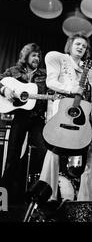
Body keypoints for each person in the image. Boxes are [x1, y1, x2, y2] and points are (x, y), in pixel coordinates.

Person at [39, 33, 92, 205]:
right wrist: (71, 89)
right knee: (54, 153)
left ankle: (88, 199)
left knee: (90, 153)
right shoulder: (57, 58)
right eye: (78, 44)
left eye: (84, 46)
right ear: (70, 45)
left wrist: (88, 90)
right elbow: (50, 82)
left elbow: (90, 99)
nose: (81, 48)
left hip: (80, 117)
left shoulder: (90, 73)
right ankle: (47, 195)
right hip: (61, 113)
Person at [0, 43, 47, 204]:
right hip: (20, 117)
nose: (37, 58)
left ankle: (34, 198)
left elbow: (54, 90)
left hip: (38, 119)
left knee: (42, 155)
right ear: (26, 55)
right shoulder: (13, 71)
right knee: (11, 158)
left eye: (38, 56)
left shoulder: (45, 75)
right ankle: (4, 201)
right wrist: (4, 90)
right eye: (34, 55)